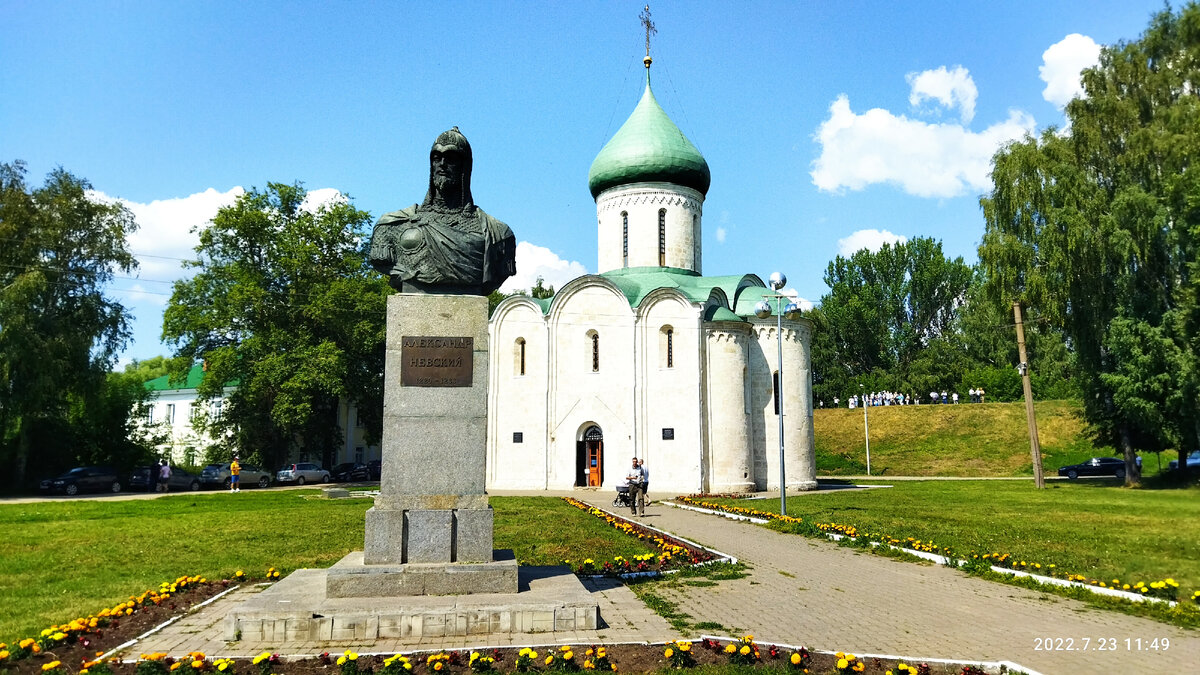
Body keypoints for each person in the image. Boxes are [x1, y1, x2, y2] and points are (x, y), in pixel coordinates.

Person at [369, 127, 517, 295]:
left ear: (465, 167)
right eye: (436, 158)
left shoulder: (498, 233)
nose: (442, 164)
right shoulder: (393, 224)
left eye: (451, 158)